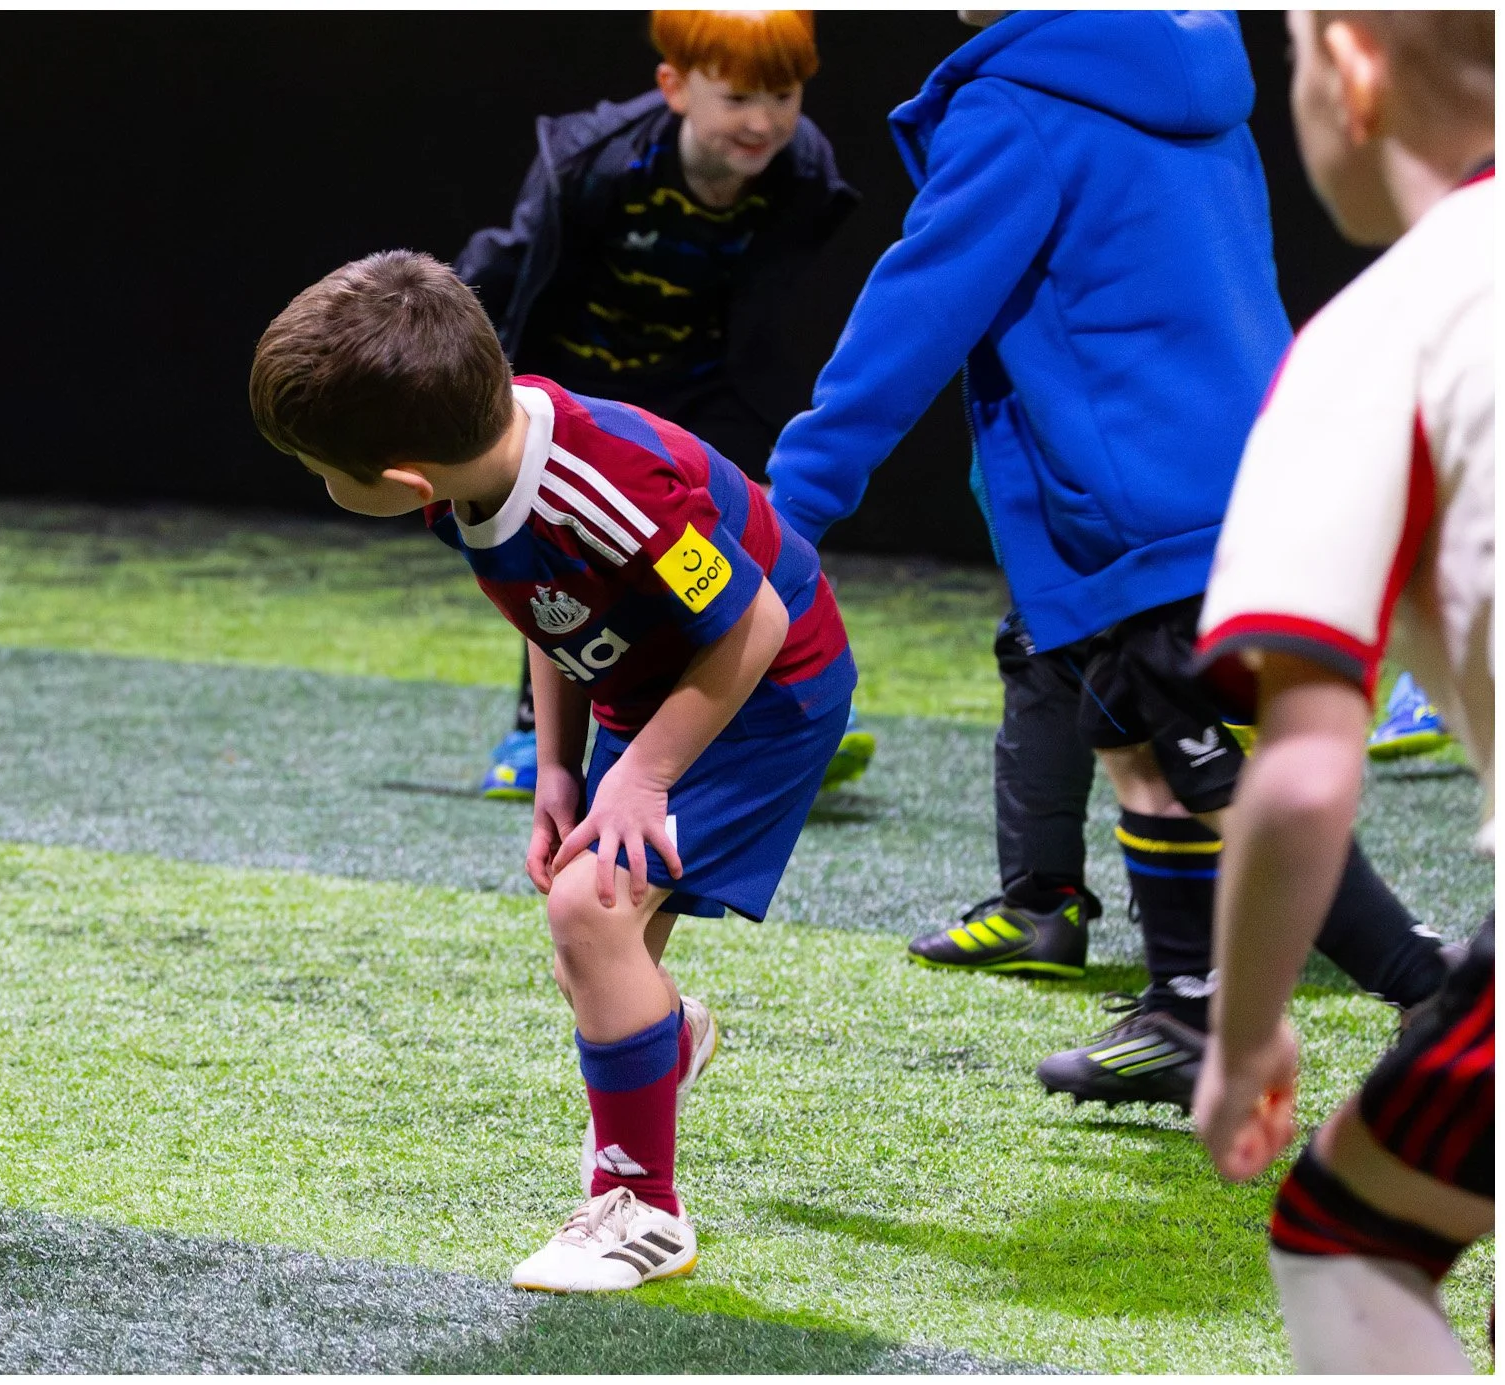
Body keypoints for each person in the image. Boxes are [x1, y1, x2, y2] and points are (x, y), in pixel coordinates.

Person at [762, 10, 1446, 1108]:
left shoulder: (1017, 101)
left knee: (1233, 781)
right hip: (1234, 478)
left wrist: (789, 505)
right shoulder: (1183, 73)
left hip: (1147, 513)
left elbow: (914, 310)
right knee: (1138, 744)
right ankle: (1187, 1008)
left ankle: (1434, 985)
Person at [251, 249, 856, 1292]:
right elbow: (549, 604)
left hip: (761, 691)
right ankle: (664, 1044)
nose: (321, 484)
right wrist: (559, 763)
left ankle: (643, 1213)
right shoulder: (476, 466)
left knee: (587, 912)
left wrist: (643, 776)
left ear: (400, 481)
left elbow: (752, 619)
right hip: (656, 682)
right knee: (604, 952)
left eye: (324, 472)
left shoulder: (600, 488)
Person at [1191, 11, 1492, 1371]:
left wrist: (1244, 1038)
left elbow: (1305, 774)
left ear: (1350, 71)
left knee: (1342, 1237)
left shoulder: (1383, 329)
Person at [455, 10, 873, 802]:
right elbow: (508, 264)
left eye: (783, 96)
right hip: (581, 390)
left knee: (732, 535)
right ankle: (530, 730)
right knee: (564, 552)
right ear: (676, 88)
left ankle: (770, 697)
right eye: (739, 97)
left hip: (702, 391)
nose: (764, 121)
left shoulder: (803, 172)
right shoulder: (594, 166)